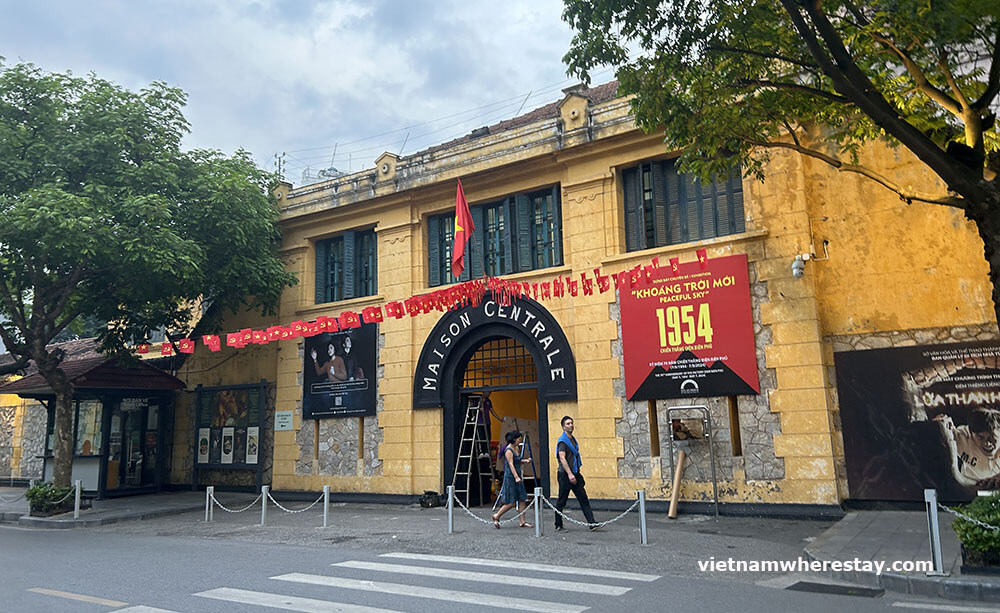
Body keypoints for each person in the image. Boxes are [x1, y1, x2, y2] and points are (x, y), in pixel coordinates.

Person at [554, 415, 598, 532]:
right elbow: (562, 458)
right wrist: (569, 474)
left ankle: (592, 522)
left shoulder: (573, 440)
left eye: (571, 423)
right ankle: (558, 524)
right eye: (568, 424)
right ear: (563, 427)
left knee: (583, 498)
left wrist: (575, 472)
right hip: (565, 474)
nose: (571, 425)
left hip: (575, 473)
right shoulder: (563, 442)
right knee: (562, 500)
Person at [935, 408, 1000, 485]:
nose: (988, 443)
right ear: (971, 433)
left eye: (992, 438)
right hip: (966, 489)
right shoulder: (960, 437)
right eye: (981, 438)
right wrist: (938, 423)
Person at [490, 430, 532, 528]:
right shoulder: (508, 450)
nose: (519, 441)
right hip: (510, 478)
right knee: (511, 502)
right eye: (518, 439)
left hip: (518, 476)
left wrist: (525, 461)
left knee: (522, 499)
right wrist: (516, 477)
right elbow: (511, 464)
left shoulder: (516, 447)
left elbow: (517, 460)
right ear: (514, 439)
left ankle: (522, 521)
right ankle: (496, 515)